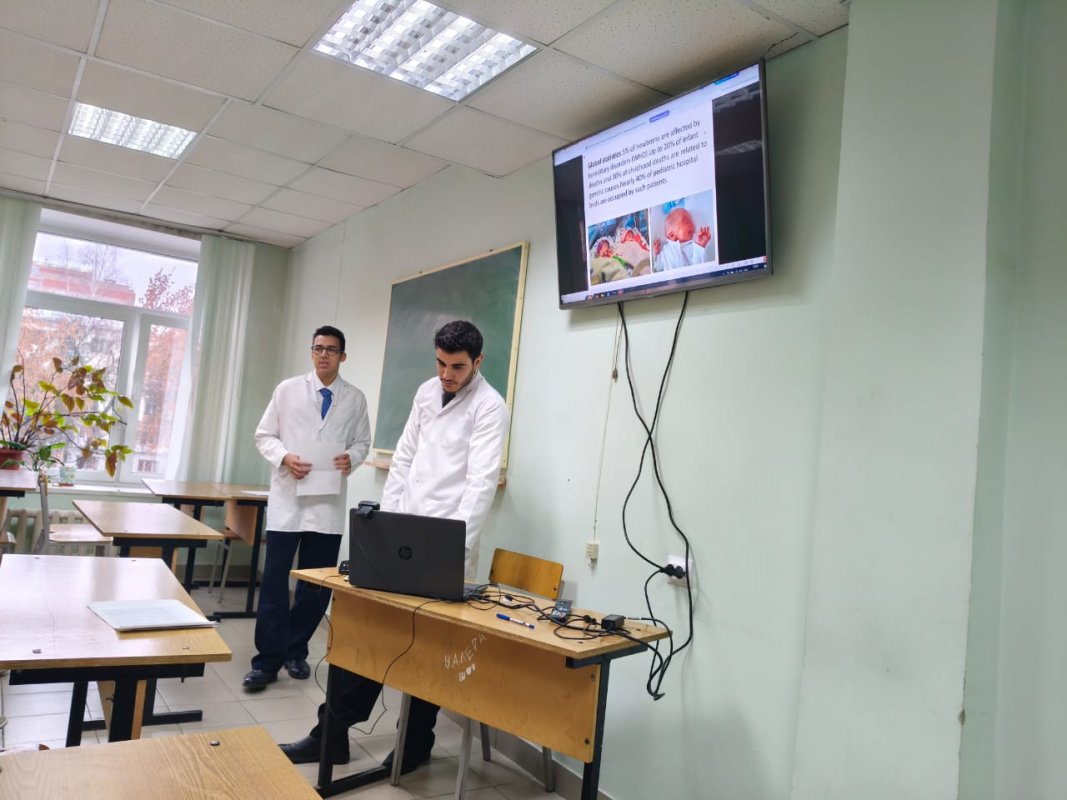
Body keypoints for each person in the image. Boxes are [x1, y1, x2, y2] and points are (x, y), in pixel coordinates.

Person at [280, 320, 509, 772]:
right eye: (441, 364)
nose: (446, 375)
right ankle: (331, 735)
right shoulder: (426, 391)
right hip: (404, 535)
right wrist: (389, 525)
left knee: (428, 649)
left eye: (457, 367)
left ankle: (416, 744)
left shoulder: (490, 406)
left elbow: (480, 484)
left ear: (477, 362)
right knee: (369, 634)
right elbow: (403, 460)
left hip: (447, 541)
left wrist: (452, 548)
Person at [242, 325, 371, 691]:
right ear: (311, 352)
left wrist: (352, 458)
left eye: (331, 349)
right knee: (274, 583)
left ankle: (295, 650)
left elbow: (362, 441)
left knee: (317, 586)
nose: (323, 354)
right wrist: (285, 457)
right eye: (318, 348)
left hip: (327, 505)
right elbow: (264, 435)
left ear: (343, 356)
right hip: (289, 500)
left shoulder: (355, 398)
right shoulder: (287, 390)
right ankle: (266, 661)